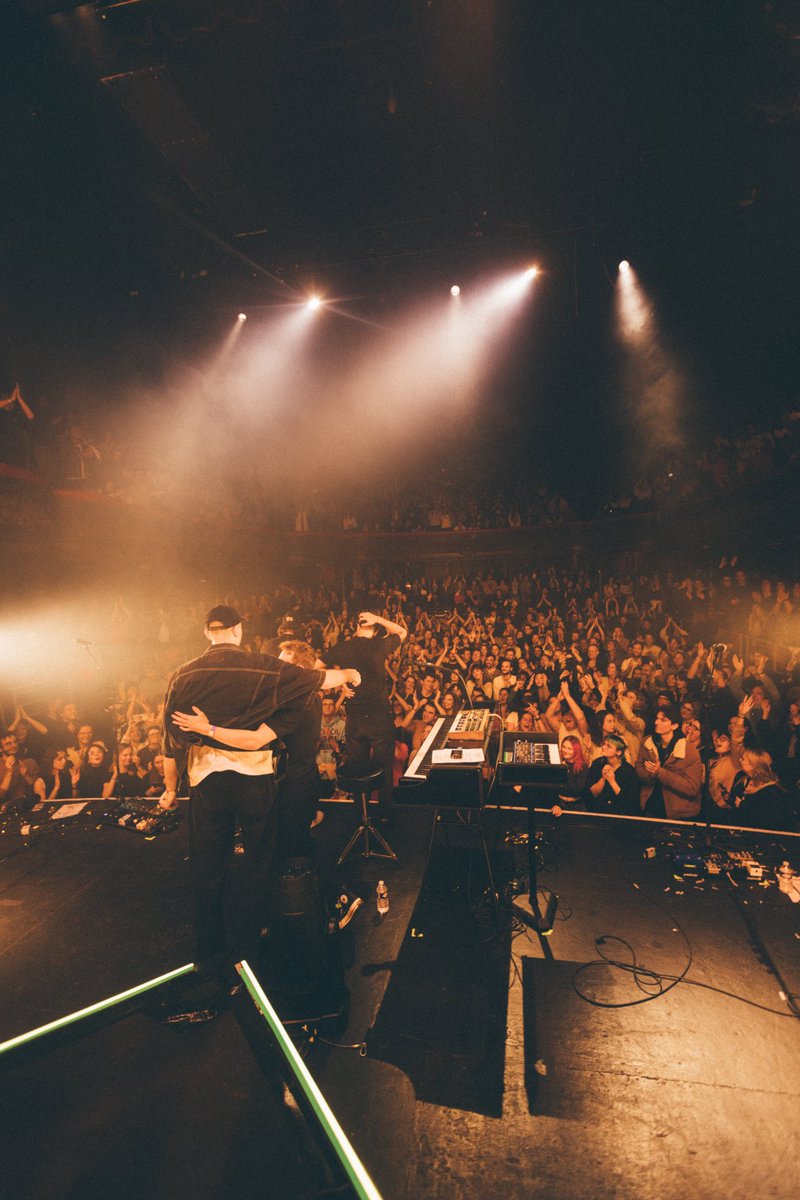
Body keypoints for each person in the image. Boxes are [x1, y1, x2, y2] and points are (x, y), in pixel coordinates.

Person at [161, 604, 360, 978]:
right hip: (253, 777)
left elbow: (174, 732)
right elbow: (319, 680)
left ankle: (208, 951)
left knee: (208, 867)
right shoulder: (265, 669)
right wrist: (350, 672)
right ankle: (251, 950)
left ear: (207, 632)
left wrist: (205, 734)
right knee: (257, 866)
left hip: (206, 779)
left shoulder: (182, 674)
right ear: (237, 629)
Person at [325, 609, 407, 821]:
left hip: (355, 720)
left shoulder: (342, 647)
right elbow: (402, 631)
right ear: (375, 630)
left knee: (357, 767)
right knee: (384, 769)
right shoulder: (379, 645)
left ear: (356, 627)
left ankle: (360, 814)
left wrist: (341, 682)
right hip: (379, 718)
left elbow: (315, 668)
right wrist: (379, 618)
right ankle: (385, 815)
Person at [635, 702, 703, 820]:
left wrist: (660, 773)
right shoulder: (648, 742)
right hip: (651, 806)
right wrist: (651, 774)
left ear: (674, 726)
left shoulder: (689, 751)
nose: (657, 722)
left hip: (678, 813)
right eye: (657, 718)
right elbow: (639, 767)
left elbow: (692, 788)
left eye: (663, 720)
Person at [585, 733, 641, 816]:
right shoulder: (597, 764)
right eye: (604, 744)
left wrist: (612, 781)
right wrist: (603, 779)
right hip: (599, 813)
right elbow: (591, 794)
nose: (604, 747)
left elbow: (629, 802)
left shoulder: (628, 771)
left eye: (609, 746)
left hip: (620, 815)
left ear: (618, 752)